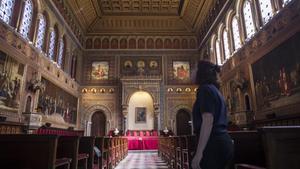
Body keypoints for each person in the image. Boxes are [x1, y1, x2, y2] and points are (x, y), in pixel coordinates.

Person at [191, 60, 233, 169]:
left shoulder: (204, 89)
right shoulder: (214, 90)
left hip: (212, 144)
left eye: (194, 69)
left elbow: (208, 120)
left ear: (201, 72)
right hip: (222, 141)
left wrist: (199, 153)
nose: (192, 71)